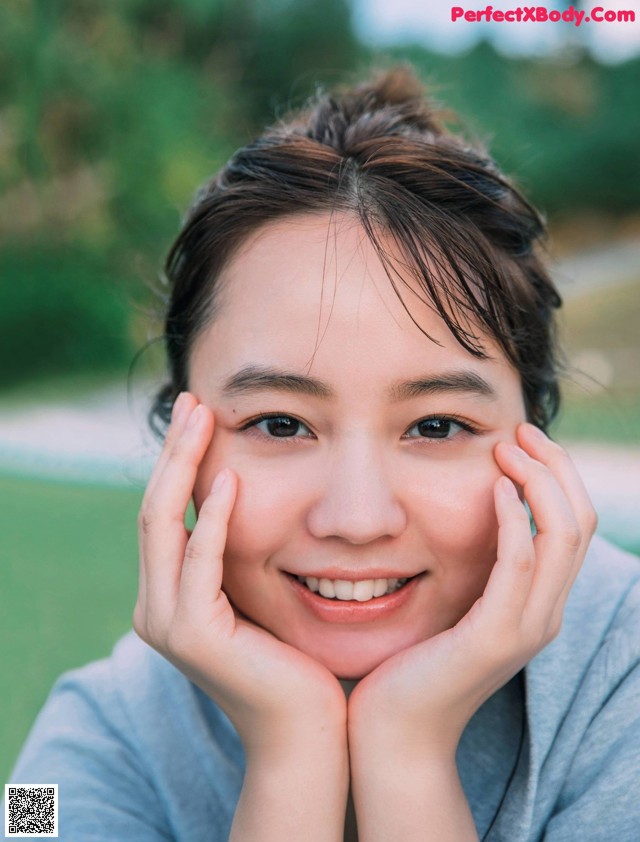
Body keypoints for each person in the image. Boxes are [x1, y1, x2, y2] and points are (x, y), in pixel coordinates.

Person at [6, 66, 640, 842]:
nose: (357, 518)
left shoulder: (625, 681)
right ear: (182, 446)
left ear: (535, 442)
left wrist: (404, 750)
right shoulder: (65, 757)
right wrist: (291, 752)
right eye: (280, 423)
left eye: (436, 426)